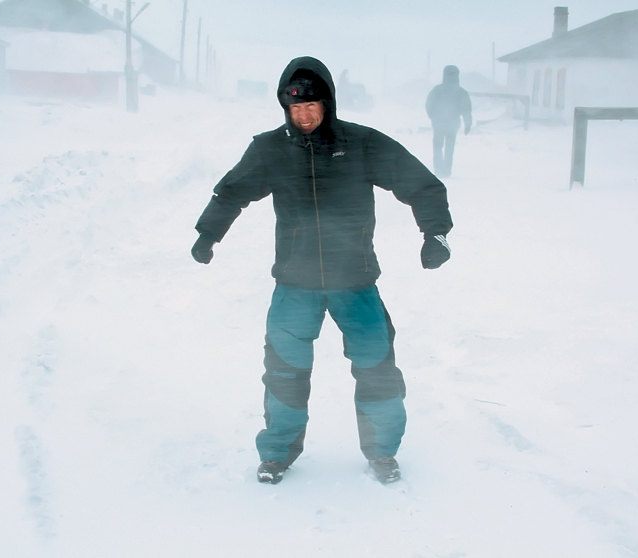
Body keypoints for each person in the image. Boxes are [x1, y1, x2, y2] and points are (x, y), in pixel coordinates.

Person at [191, 56, 453, 485]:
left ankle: (382, 452)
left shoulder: (362, 143)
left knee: (377, 368)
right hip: (296, 283)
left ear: (328, 103)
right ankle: (276, 454)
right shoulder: (270, 150)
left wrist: (436, 234)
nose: (305, 114)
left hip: (355, 280)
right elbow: (230, 193)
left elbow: (421, 184)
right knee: (284, 371)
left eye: (312, 105)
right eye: (295, 108)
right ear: (285, 108)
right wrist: (208, 235)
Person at [425, 65, 472, 178]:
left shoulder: (437, 90)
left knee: (437, 147)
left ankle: (438, 170)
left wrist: (433, 117)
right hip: (452, 124)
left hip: (439, 124)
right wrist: (468, 124)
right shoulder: (461, 92)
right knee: (449, 148)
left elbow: (429, 105)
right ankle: (446, 171)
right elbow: (466, 109)